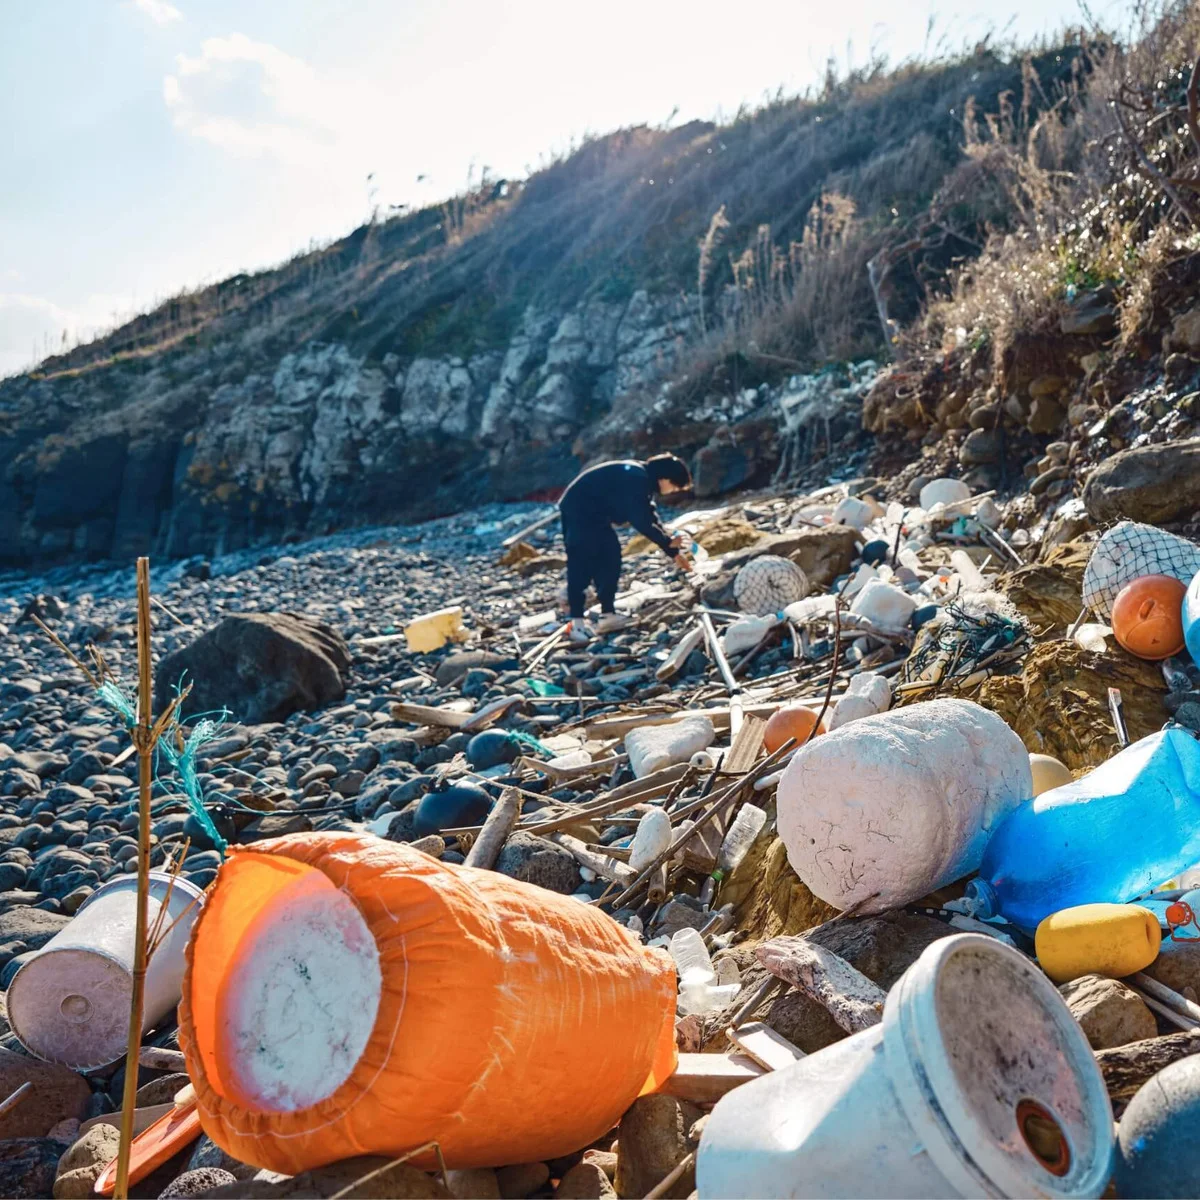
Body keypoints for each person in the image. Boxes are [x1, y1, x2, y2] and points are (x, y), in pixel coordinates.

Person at [558, 454, 693, 642]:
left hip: (597, 516)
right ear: (665, 478)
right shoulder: (637, 478)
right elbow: (641, 520)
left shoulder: (642, 479)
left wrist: (672, 551)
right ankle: (576, 624)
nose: (672, 491)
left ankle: (608, 615)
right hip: (579, 512)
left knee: (610, 557)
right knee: (582, 563)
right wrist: (667, 542)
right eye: (674, 486)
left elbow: (650, 516)